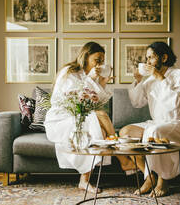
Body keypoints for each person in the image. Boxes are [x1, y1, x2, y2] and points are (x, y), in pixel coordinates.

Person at [44, 42, 135, 193]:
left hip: (79, 117)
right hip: (60, 119)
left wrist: (102, 83)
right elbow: (71, 97)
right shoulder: (69, 71)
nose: (99, 64)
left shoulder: (89, 76)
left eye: (102, 61)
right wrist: (91, 80)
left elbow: (93, 103)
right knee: (101, 115)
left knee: (102, 133)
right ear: (86, 56)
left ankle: (84, 181)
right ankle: (123, 159)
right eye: (97, 60)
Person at [119, 42, 180, 197]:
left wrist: (160, 78)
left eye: (151, 57)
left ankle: (163, 180)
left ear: (164, 57)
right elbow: (137, 103)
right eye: (147, 58)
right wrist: (138, 81)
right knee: (125, 133)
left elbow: (177, 103)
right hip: (157, 123)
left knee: (156, 131)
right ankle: (149, 175)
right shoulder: (149, 80)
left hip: (178, 123)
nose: (147, 62)